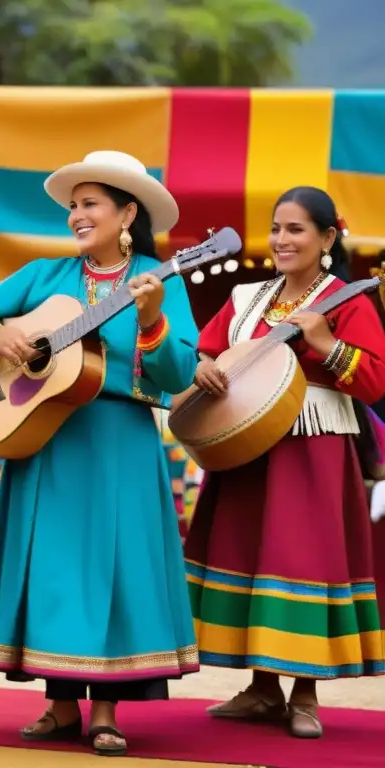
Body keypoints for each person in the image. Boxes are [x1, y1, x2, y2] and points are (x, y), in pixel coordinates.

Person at [0, 151, 200, 757]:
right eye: (73, 206)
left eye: (90, 204)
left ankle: (107, 708)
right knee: (52, 570)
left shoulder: (160, 280)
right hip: (44, 439)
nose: (77, 216)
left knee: (113, 572)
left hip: (120, 444)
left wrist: (152, 321)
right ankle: (60, 705)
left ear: (127, 213)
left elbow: (180, 368)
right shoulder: (45, 277)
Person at [184, 186, 385, 738]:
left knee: (303, 560)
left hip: (313, 447)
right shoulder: (248, 296)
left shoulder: (349, 300)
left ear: (326, 238)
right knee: (250, 557)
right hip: (245, 443)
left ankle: (305, 694)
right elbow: (207, 344)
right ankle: (263, 690)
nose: (281, 239)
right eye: (276, 228)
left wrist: (326, 342)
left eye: (296, 229)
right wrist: (203, 365)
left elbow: (375, 381)